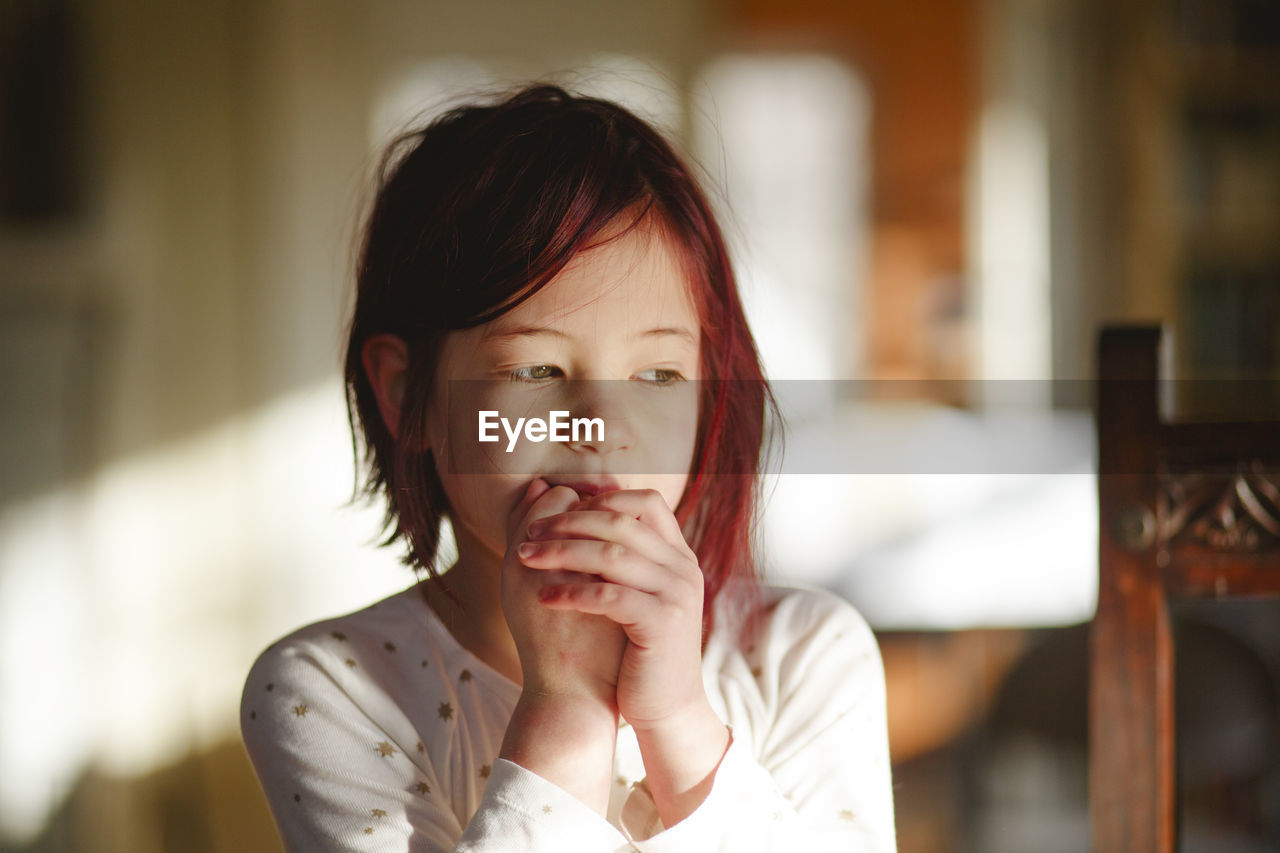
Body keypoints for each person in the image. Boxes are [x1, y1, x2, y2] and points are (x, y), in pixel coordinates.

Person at [240, 83, 896, 852]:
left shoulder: (802, 656)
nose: (605, 426)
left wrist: (680, 724)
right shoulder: (329, 690)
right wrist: (570, 708)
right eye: (536, 370)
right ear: (405, 393)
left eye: (657, 375)